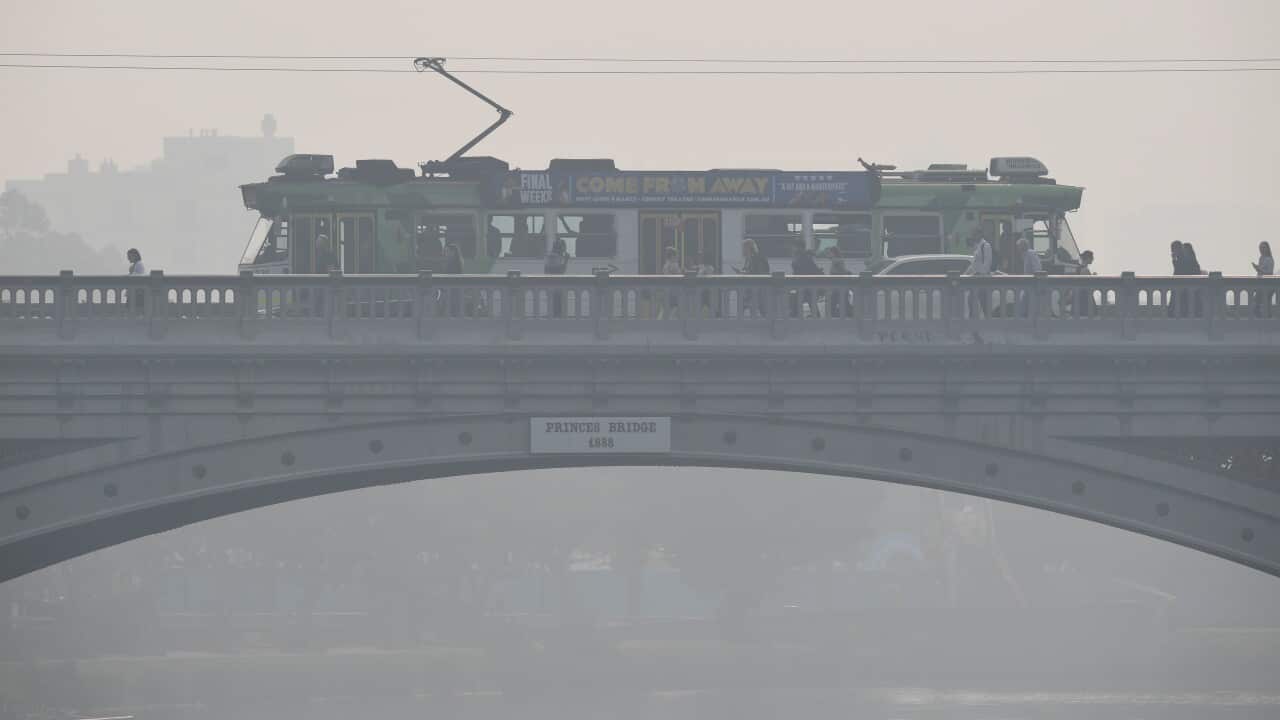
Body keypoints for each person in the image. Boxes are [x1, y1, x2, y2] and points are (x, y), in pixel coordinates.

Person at [733, 239, 770, 317]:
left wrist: (746, 273)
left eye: (744, 247)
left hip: (758, 287)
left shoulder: (758, 257)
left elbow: (760, 273)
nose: (742, 250)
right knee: (746, 305)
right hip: (748, 287)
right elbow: (746, 270)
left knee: (761, 308)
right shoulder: (748, 258)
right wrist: (741, 272)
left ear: (748, 247)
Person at [968, 231, 992, 318]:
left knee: (983, 302)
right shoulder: (977, 246)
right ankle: (973, 320)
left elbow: (987, 263)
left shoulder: (986, 246)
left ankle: (986, 320)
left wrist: (979, 273)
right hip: (976, 279)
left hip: (982, 279)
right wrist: (966, 273)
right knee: (972, 300)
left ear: (979, 234)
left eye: (974, 234)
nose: (973, 236)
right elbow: (974, 264)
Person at [1252, 241, 1273, 317]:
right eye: (1260, 248)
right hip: (1260, 285)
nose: (1261, 249)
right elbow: (1261, 271)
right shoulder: (1261, 258)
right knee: (1257, 303)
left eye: (1263, 248)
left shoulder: (1269, 259)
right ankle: (1260, 317)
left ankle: (1266, 318)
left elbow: (1269, 273)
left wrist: (1258, 269)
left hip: (1267, 285)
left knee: (1264, 303)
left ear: (1267, 248)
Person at [126, 248, 146, 315]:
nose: (128, 258)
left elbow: (138, 277)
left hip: (137, 293)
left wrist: (131, 273)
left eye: (129, 256)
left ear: (134, 256)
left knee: (134, 310)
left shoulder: (139, 264)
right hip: (133, 292)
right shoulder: (135, 265)